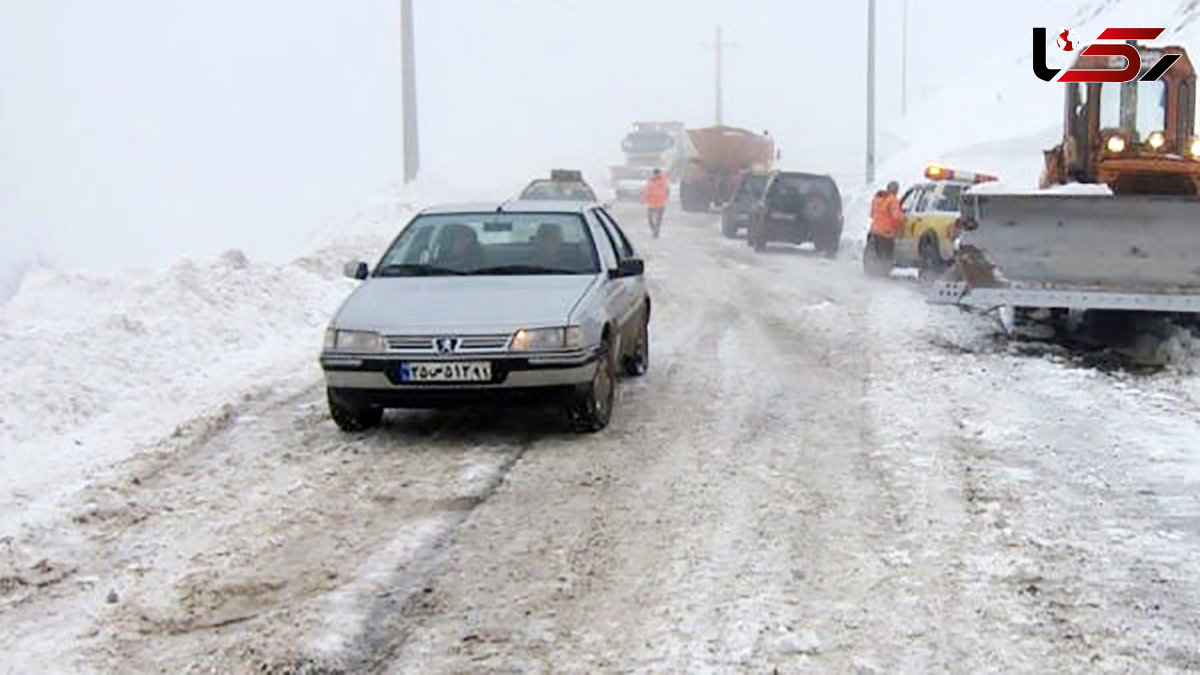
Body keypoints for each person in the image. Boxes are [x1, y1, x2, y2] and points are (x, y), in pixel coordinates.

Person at [865, 180, 903, 276]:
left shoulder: (877, 199)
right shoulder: (893, 200)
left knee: (876, 254)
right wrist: (902, 221)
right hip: (887, 233)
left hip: (874, 231)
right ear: (895, 190)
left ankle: (873, 272)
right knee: (886, 256)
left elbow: (872, 214)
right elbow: (897, 217)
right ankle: (883, 274)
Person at [642, 168, 670, 238]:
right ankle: (654, 230)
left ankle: (656, 232)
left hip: (660, 203)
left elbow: (667, 190)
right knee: (650, 219)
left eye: (657, 174)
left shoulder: (664, 180)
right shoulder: (650, 181)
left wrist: (666, 199)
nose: (656, 175)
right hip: (651, 203)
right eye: (655, 174)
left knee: (658, 220)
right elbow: (647, 190)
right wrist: (644, 199)